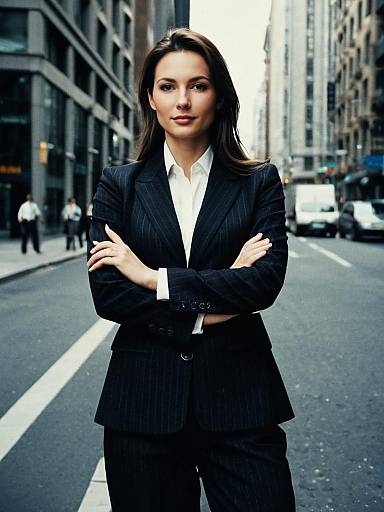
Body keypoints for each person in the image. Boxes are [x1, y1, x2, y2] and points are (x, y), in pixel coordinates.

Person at [87, 28, 295, 511]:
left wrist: (150, 276)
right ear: (150, 99)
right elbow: (109, 295)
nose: (183, 100)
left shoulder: (258, 181)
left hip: (241, 402)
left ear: (220, 96)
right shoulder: (118, 185)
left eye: (198, 85)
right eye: (168, 86)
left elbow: (263, 282)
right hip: (142, 406)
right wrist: (216, 305)